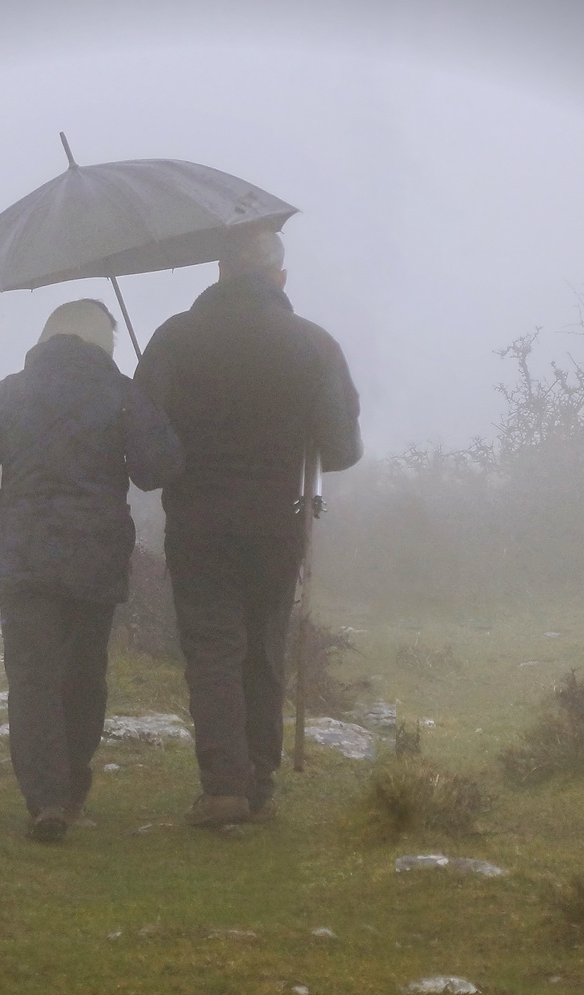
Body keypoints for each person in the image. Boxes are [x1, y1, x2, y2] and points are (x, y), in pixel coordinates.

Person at [135, 229, 362, 828]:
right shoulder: (313, 344)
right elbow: (341, 449)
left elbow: (145, 459)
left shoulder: (173, 340)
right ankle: (258, 781)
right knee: (262, 649)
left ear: (219, 272)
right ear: (279, 277)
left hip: (199, 522)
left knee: (212, 650)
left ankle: (225, 786)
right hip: (278, 521)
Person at [0, 299, 183, 841]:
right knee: (82, 674)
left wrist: (1, 522)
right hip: (95, 555)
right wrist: (155, 412)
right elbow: (158, 469)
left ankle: (46, 798)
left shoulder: (8, 392)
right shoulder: (121, 393)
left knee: (31, 677)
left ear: (48, 337)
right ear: (101, 341)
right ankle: (72, 785)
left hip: (26, 555)